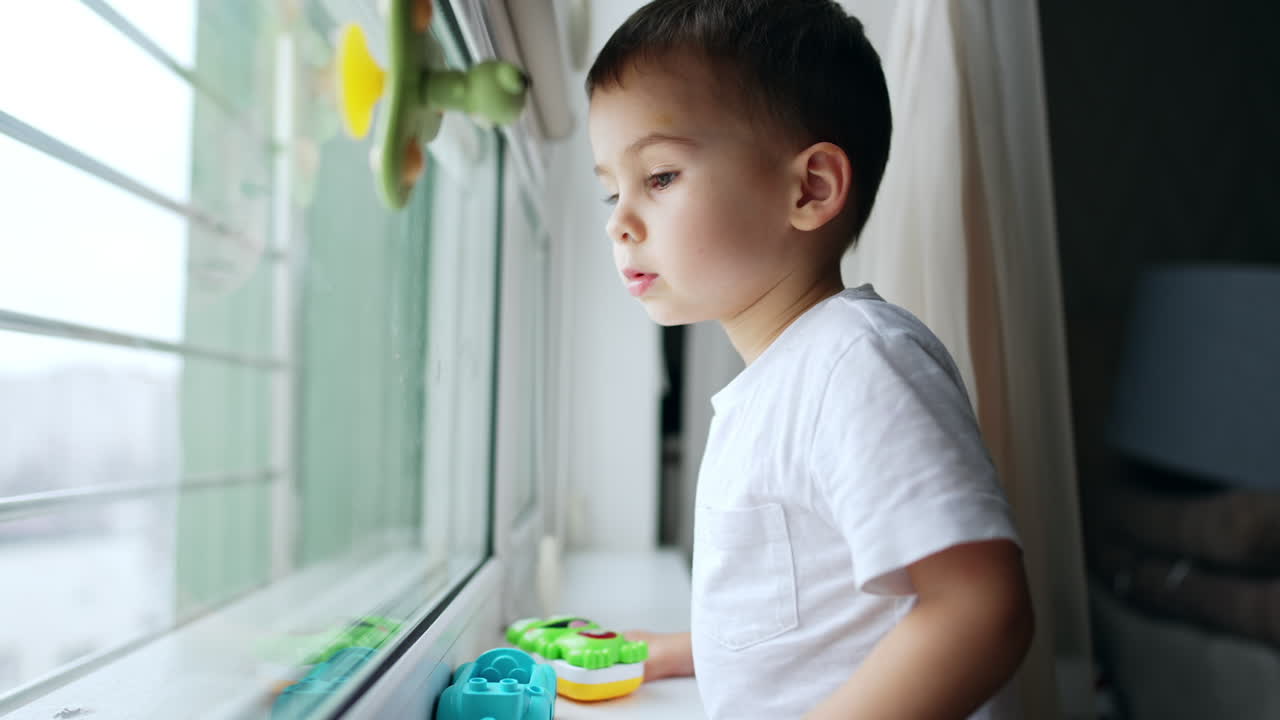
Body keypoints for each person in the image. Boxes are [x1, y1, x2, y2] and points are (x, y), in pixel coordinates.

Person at [586, 1, 1034, 718]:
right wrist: (680, 650)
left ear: (811, 189)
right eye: (612, 188)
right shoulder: (783, 380)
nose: (618, 220)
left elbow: (982, 608)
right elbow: (820, 616)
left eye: (660, 177)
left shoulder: (859, 364)